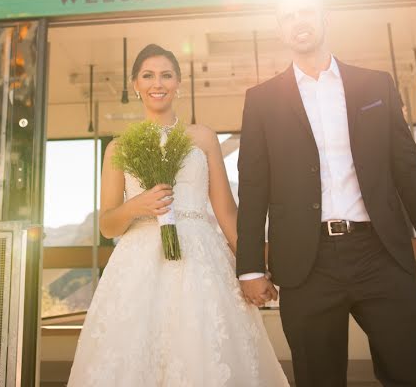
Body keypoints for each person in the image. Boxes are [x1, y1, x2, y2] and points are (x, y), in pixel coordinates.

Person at [236, 0, 416, 386]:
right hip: (307, 265)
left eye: (306, 11)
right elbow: (253, 188)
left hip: (381, 253)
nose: (298, 22)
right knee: (318, 378)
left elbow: (409, 170)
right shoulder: (261, 100)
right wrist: (250, 268)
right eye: (287, 16)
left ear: (326, 18)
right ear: (279, 29)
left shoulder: (375, 86)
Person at [68, 44, 289, 387]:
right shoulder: (119, 147)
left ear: (179, 83)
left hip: (201, 261)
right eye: (148, 75)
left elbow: (227, 211)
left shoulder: (202, 137)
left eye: (166, 75)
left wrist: (253, 268)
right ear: (135, 84)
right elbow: (108, 224)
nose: (158, 83)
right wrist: (137, 205)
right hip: (138, 263)